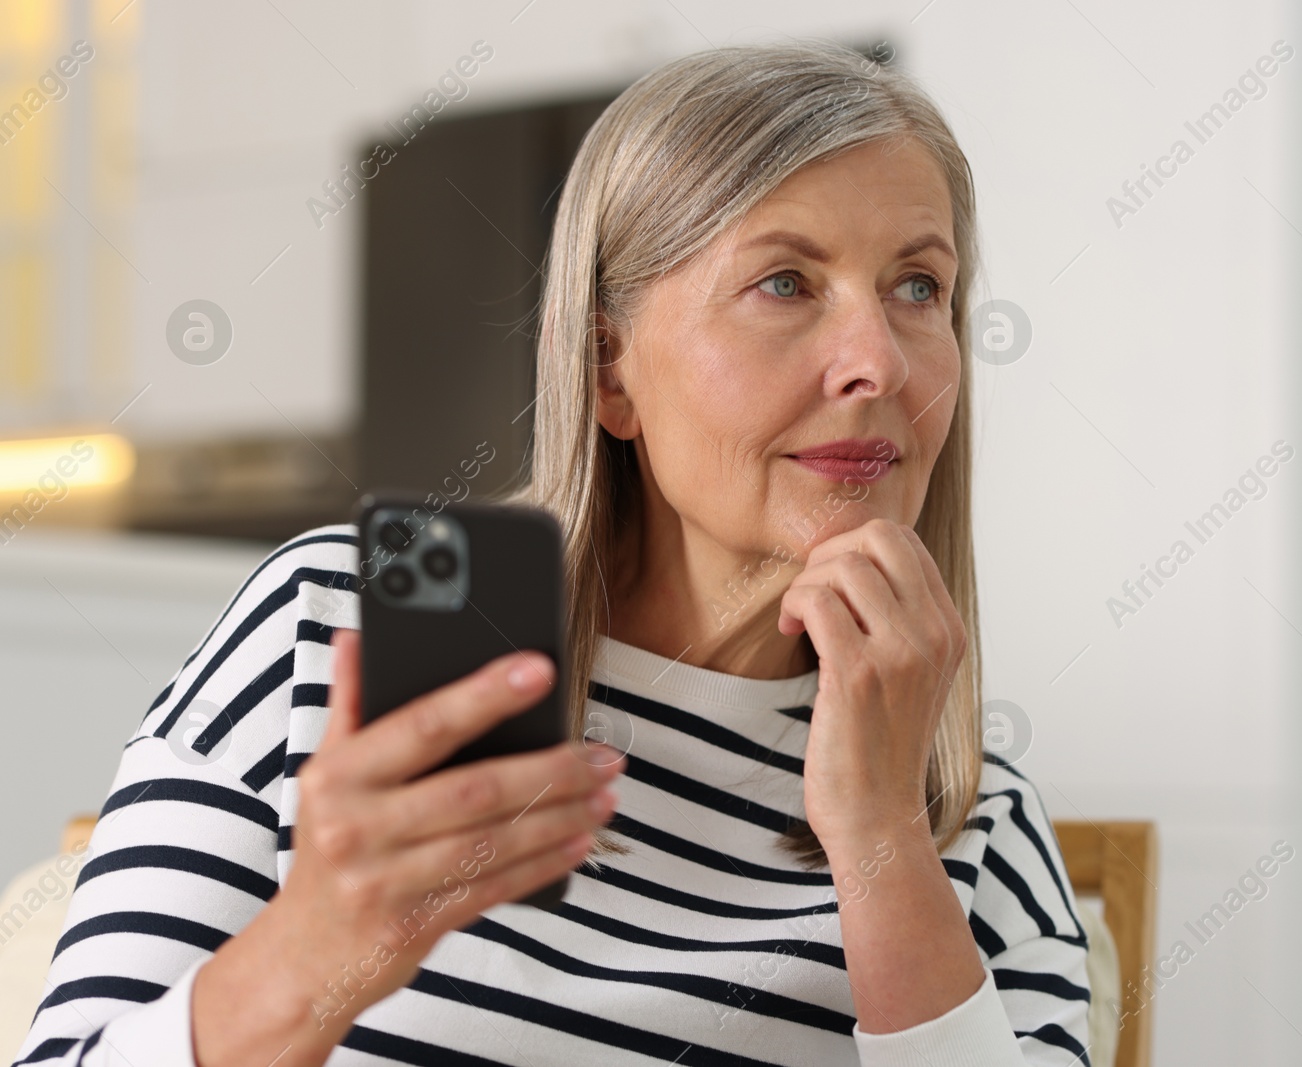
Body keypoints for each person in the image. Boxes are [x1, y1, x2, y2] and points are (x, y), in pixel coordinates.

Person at [15, 39, 1091, 1066]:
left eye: (917, 286)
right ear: (609, 369)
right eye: (784, 283)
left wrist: (880, 836)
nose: (878, 362)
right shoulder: (331, 627)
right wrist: (318, 947)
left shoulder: (974, 821)